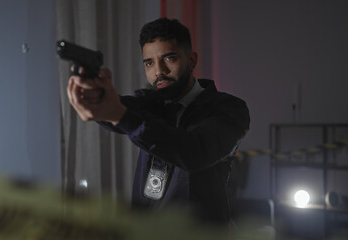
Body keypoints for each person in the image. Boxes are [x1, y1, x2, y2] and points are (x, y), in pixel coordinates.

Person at [67, 18, 250, 225]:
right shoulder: (150, 103)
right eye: (149, 63)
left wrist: (121, 115)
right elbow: (121, 108)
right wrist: (96, 97)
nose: (159, 71)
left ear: (191, 60)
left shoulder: (228, 108)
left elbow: (195, 152)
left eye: (169, 59)